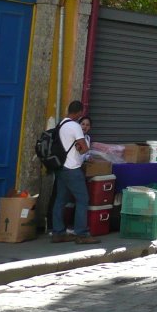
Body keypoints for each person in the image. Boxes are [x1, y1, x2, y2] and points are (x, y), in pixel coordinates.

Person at [50, 100, 99, 244]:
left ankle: (58, 233)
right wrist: (83, 148)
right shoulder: (75, 126)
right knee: (83, 199)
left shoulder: (61, 124)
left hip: (61, 167)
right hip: (72, 168)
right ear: (79, 113)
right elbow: (84, 148)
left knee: (60, 200)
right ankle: (81, 234)